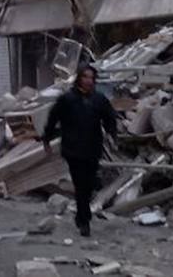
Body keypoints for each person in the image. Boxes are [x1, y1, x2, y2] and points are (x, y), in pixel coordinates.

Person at [43, 64, 119, 237]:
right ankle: (84, 220)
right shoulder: (67, 99)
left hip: (93, 148)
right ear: (79, 78)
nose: (89, 81)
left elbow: (110, 119)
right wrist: (47, 138)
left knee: (89, 184)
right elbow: (53, 118)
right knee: (80, 184)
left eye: (92, 78)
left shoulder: (99, 100)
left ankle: (81, 215)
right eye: (85, 77)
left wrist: (113, 136)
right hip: (73, 149)